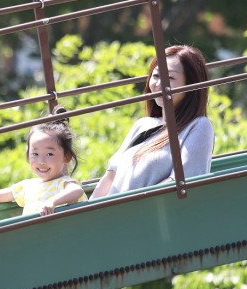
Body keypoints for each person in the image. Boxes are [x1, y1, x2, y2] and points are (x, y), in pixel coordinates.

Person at [89, 45, 214, 199]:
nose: (159, 84)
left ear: (191, 85)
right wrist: (90, 209)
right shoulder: (143, 125)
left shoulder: (198, 126)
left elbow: (184, 181)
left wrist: (131, 205)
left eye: (170, 78)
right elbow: (110, 177)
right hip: (115, 211)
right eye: (156, 76)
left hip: (144, 211)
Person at [0, 106, 86, 221]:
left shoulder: (64, 183)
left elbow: (76, 191)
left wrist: (52, 202)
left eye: (49, 154)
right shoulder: (27, 186)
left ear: (66, 157)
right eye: (35, 154)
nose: (41, 161)